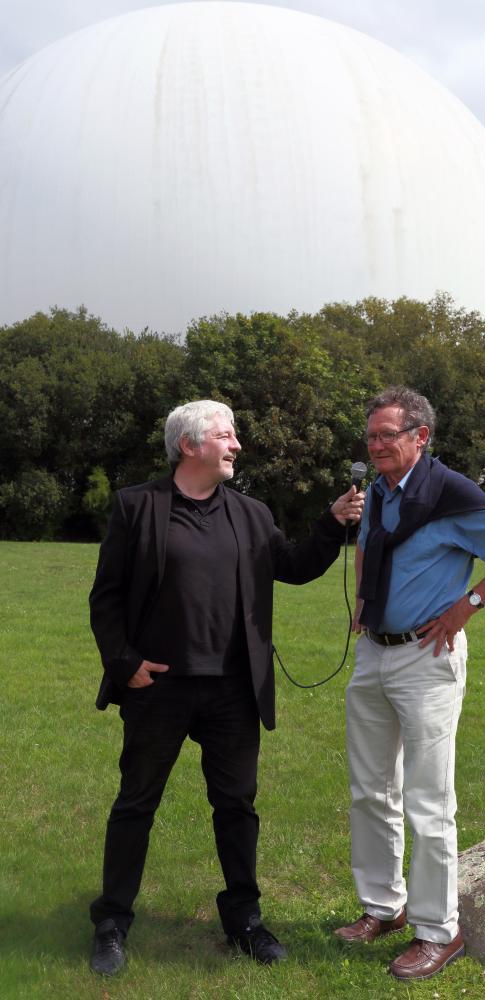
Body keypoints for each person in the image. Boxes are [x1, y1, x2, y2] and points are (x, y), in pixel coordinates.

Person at [88, 399, 364, 976]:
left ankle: (245, 922)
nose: (236, 445)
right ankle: (112, 922)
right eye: (226, 435)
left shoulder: (252, 514)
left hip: (234, 692)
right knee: (136, 803)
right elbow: (106, 597)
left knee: (236, 806)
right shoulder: (137, 506)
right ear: (189, 445)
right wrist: (124, 664)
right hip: (156, 688)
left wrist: (331, 523)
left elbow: (293, 565)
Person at [334, 386, 485, 981]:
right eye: (370, 435)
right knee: (370, 790)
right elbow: (368, 541)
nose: (374, 445)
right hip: (375, 653)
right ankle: (383, 906)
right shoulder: (376, 492)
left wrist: (467, 604)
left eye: (386, 436)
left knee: (429, 799)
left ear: (419, 437)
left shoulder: (449, 490)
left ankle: (438, 931)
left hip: (428, 658)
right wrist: (366, 602)